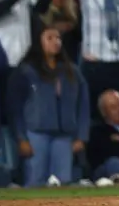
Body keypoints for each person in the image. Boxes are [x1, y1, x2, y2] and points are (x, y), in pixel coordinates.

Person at [8, 26, 89, 187]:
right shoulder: (26, 71)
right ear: (39, 42)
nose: (56, 42)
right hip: (35, 135)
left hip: (64, 136)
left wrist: (82, 135)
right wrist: (21, 138)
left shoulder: (72, 72)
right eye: (50, 38)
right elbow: (15, 109)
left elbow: (83, 105)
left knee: (63, 183)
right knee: (35, 183)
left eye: (58, 38)